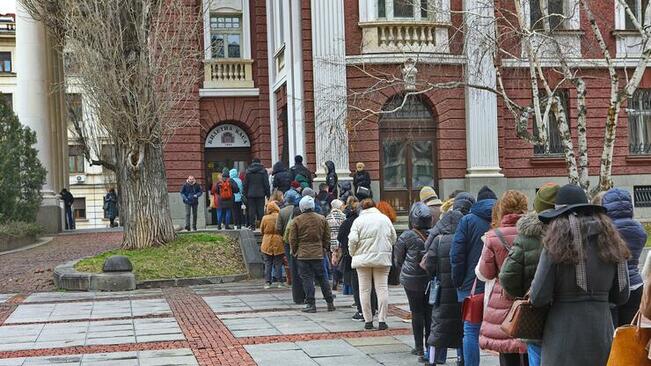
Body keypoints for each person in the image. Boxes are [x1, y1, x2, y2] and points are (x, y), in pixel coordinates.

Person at [530, 184, 630, 366]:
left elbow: (538, 297)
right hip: (602, 335)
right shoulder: (612, 241)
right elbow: (622, 295)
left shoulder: (555, 244)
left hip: (561, 339)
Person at [499, 183, 559, 366]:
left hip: (536, 312)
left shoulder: (527, 236)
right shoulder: (573, 233)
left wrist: (522, 293)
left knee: (537, 354)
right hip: (568, 313)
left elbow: (507, 276)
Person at [476, 191, 528, 365]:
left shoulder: (493, 237)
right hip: (529, 298)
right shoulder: (535, 232)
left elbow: (485, 273)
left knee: (506, 350)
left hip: (503, 300)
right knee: (529, 349)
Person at [423, 192, 475, 366]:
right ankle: (461, 359)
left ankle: (432, 360)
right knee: (461, 327)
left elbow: (428, 264)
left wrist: (435, 276)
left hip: (442, 289)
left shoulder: (438, 239)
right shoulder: (465, 238)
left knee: (437, 326)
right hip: (461, 288)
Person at [450, 185, 496, 366]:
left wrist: (458, 281)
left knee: (470, 330)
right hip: (500, 285)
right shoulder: (503, 220)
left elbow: (457, 254)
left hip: (472, 285)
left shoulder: (467, 220)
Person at [348, 198, 397, 330]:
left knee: (364, 290)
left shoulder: (358, 221)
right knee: (382, 289)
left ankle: (368, 321)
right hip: (382, 259)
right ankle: (382, 320)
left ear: (362, 208)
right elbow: (393, 238)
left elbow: (352, 240)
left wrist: (353, 253)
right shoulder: (384, 219)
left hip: (362, 259)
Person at [394, 202, 434, 362]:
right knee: (429, 313)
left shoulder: (406, 236)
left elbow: (398, 258)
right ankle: (429, 346)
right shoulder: (434, 234)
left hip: (411, 281)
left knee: (416, 312)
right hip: (430, 279)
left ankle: (419, 348)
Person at [602, 188, 647, 327]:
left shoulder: (607, 231)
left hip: (615, 286)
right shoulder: (639, 229)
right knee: (629, 331)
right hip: (636, 283)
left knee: (614, 333)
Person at [289, 196, 335, 313]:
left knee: (307, 279)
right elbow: (327, 236)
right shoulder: (322, 219)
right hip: (318, 253)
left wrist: (294, 251)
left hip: (303, 254)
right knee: (323, 278)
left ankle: (311, 303)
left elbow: (293, 239)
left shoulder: (297, 220)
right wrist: (324, 247)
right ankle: (330, 302)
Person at [338, 198, 377, 321]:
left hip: (355, 258)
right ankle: (375, 309)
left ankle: (362, 311)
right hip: (373, 256)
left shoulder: (351, 222)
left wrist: (351, 252)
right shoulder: (375, 221)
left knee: (359, 286)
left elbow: (345, 239)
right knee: (375, 286)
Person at [277, 189, 304, 303]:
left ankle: (297, 296)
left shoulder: (282, 212)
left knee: (292, 268)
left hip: (289, 244)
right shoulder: (300, 212)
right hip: (304, 247)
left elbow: (279, 228)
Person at [261, 201, 285, 289]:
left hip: (267, 241)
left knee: (268, 263)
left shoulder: (265, 218)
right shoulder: (280, 216)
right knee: (278, 263)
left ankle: (267, 282)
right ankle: (280, 282)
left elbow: (262, 230)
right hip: (278, 241)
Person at [244, 159, 270, 229]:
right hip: (261, 193)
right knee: (260, 209)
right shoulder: (263, 171)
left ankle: (252, 225)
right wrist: (268, 195)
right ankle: (262, 225)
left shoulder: (248, 171)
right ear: (259, 163)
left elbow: (245, 184)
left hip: (250, 194)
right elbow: (266, 184)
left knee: (251, 210)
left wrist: (245, 194)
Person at [326, 199, 346, 290]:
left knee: (334, 261)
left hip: (331, 241)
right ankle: (339, 279)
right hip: (340, 241)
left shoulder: (328, 217)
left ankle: (335, 280)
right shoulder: (342, 216)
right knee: (341, 261)